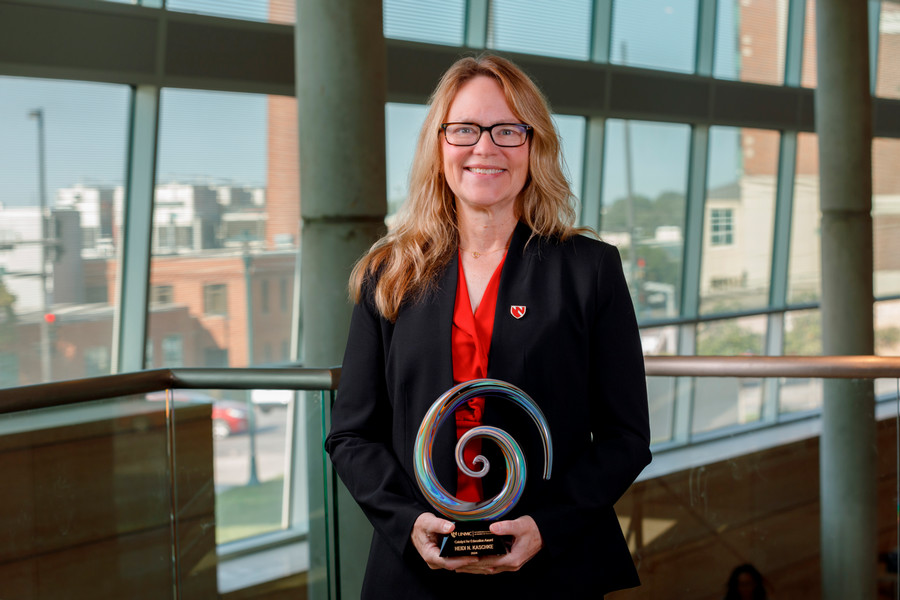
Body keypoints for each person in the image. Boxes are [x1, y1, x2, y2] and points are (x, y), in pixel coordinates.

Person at [325, 53, 651, 599]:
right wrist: (409, 524)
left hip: (552, 569)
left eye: (507, 130)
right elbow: (351, 434)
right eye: (465, 130)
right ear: (439, 145)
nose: (485, 148)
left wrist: (546, 525)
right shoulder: (388, 272)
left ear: (533, 144)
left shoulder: (589, 269)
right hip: (417, 575)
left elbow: (625, 437)